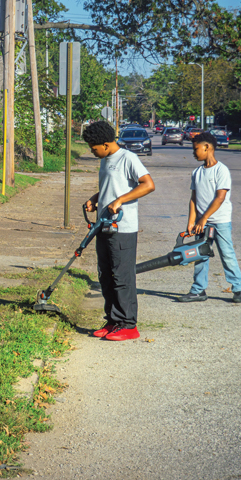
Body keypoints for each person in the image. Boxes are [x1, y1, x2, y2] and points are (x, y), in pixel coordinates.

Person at [82, 121, 156, 341]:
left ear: (106, 144)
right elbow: (112, 187)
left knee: (122, 277)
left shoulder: (128, 158)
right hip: (103, 226)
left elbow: (148, 184)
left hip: (122, 229)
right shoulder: (105, 160)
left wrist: (121, 200)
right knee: (105, 275)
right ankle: (113, 321)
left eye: (94, 148)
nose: (92, 152)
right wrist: (96, 198)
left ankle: (128, 325)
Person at [178, 131, 241, 303]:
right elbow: (193, 199)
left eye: (196, 149)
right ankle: (198, 290)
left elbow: (220, 198)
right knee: (200, 255)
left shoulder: (221, 170)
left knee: (227, 254)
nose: (193, 153)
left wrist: (204, 218)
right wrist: (191, 222)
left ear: (207, 147)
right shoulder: (197, 172)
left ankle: (238, 289)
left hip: (220, 221)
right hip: (201, 223)